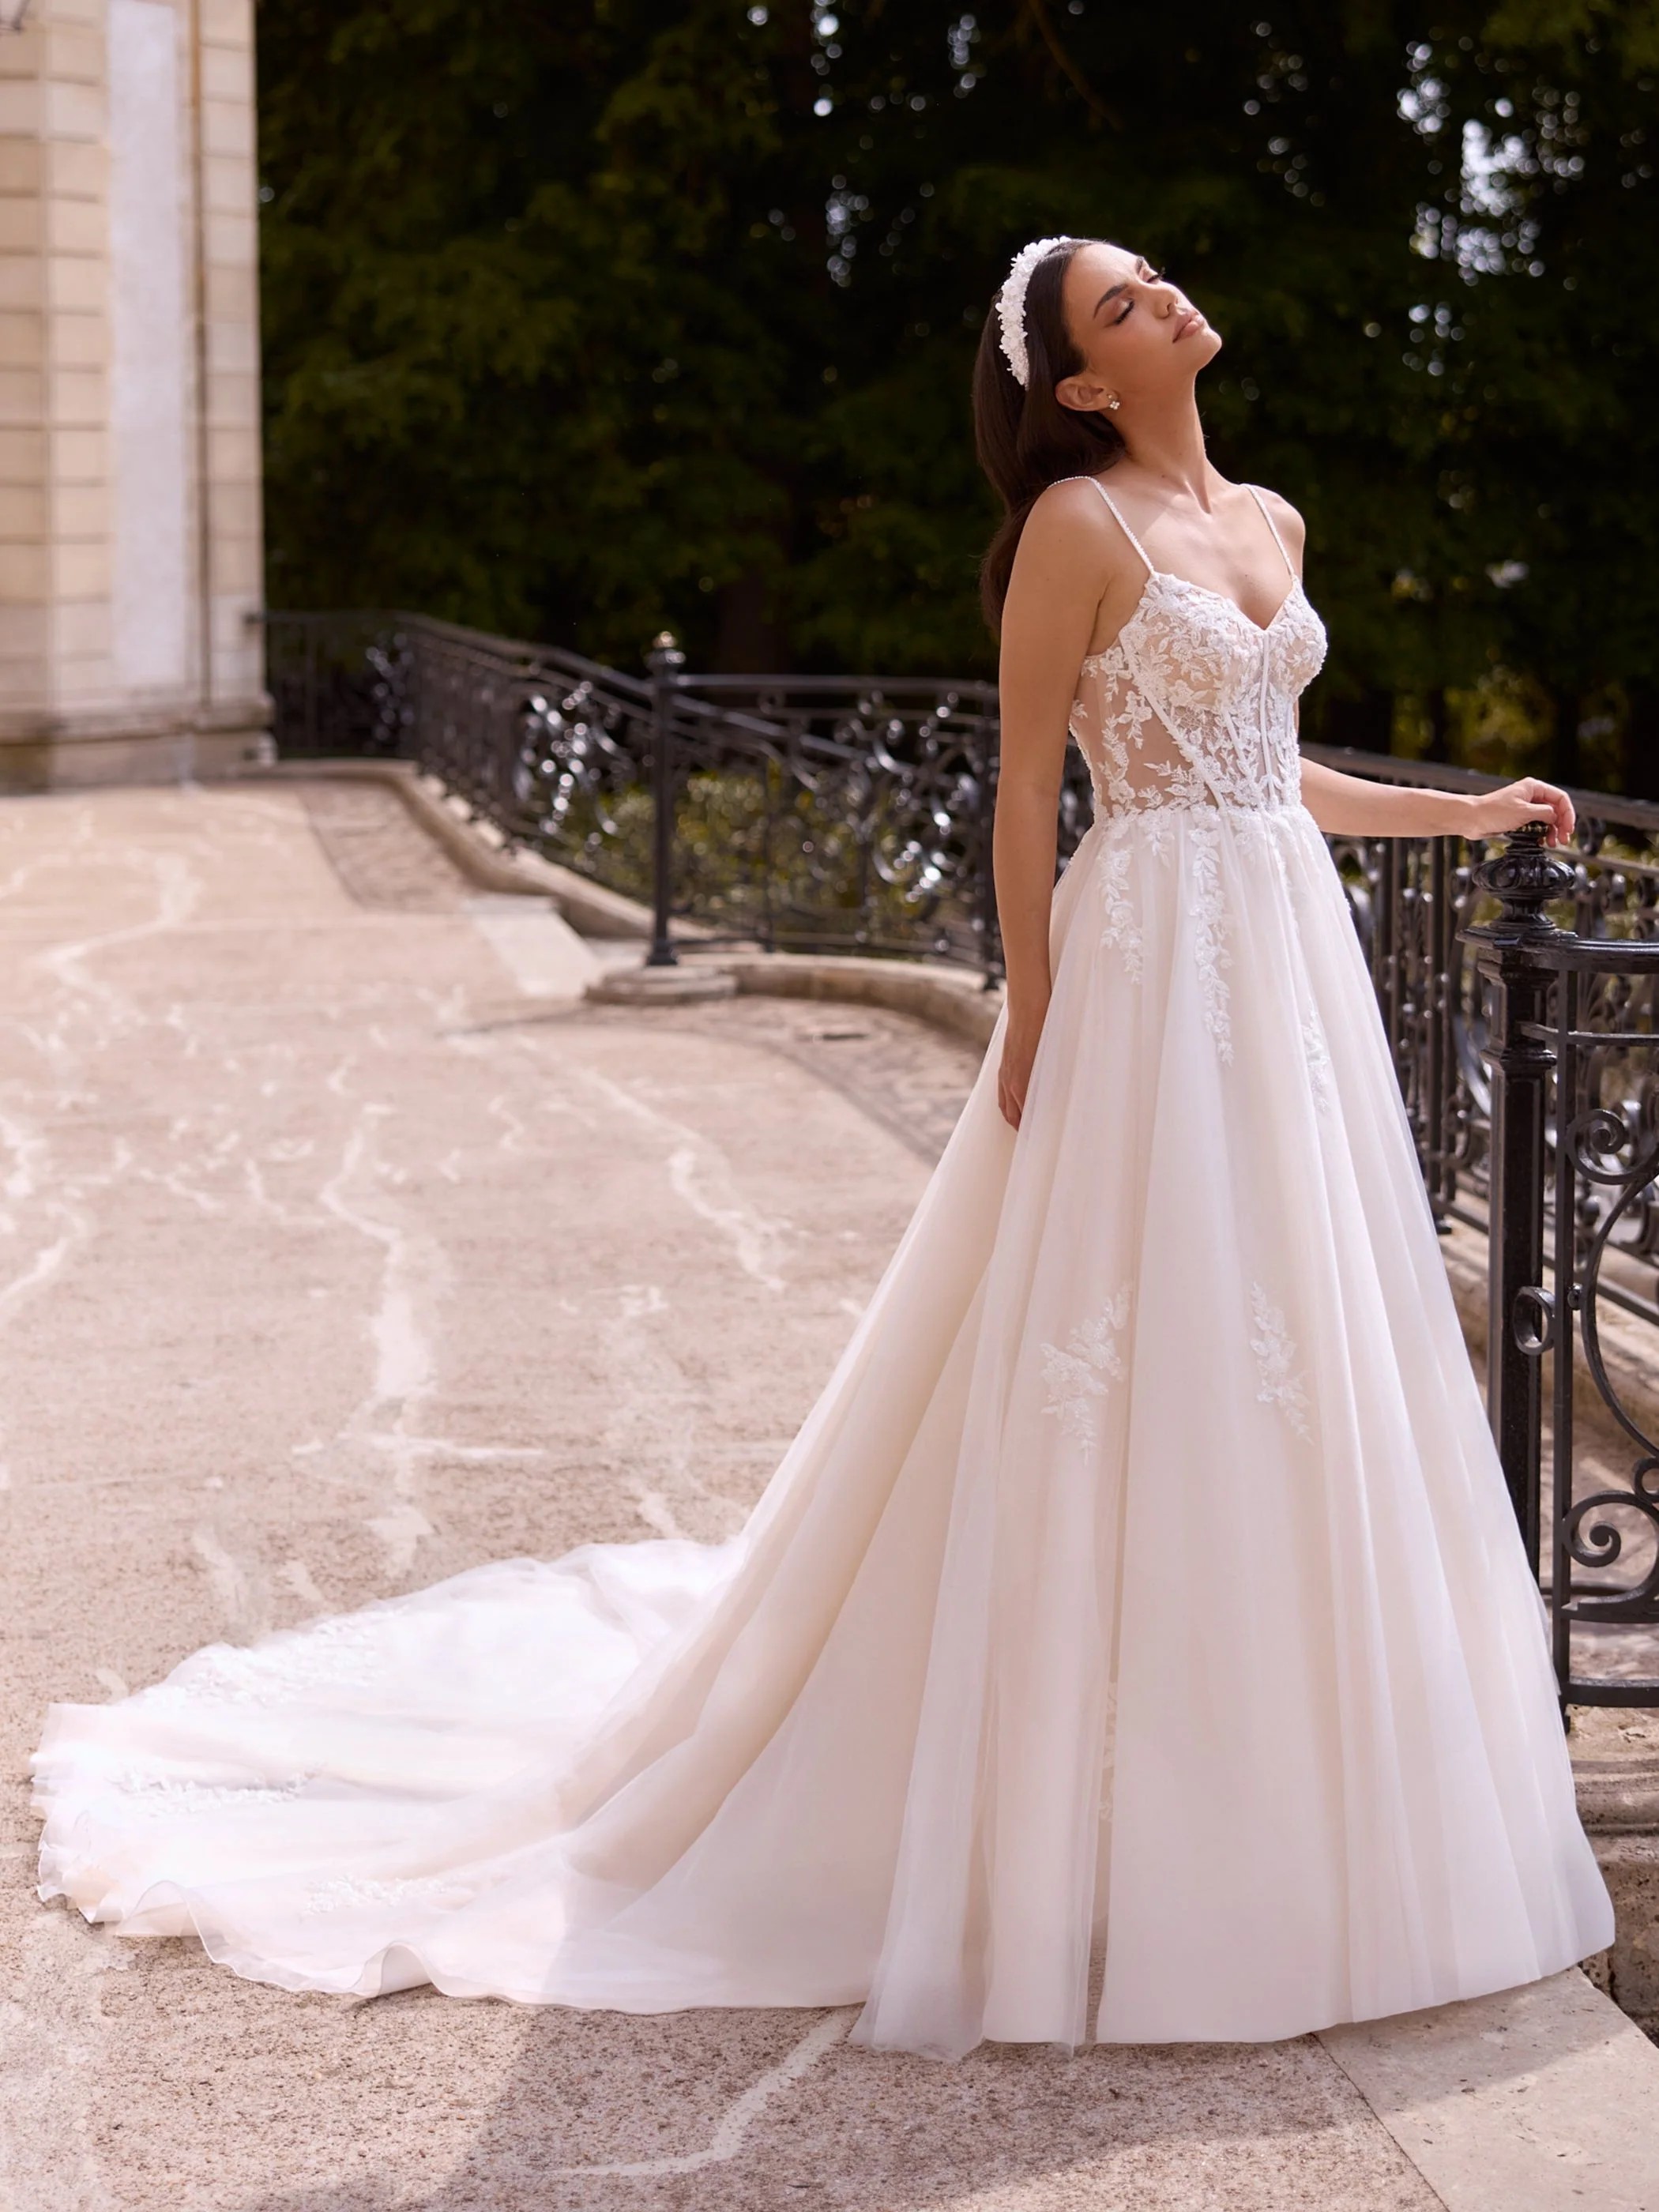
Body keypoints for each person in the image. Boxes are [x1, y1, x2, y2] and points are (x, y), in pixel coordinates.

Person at [31, 236, 1612, 2063]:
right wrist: (1034, 1010)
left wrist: (1468, 807)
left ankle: (1308, 1801)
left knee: (1299, 1349)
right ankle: (1094, 1830)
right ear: (1081, 387)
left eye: (1159, 278)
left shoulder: (1272, 514)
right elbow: (1035, 788)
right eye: (1121, 306)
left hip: (1289, 978)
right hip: (1151, 975)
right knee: (1128, 1349)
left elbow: (1274, 767)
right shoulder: (1076, 535)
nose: (1168, 299)